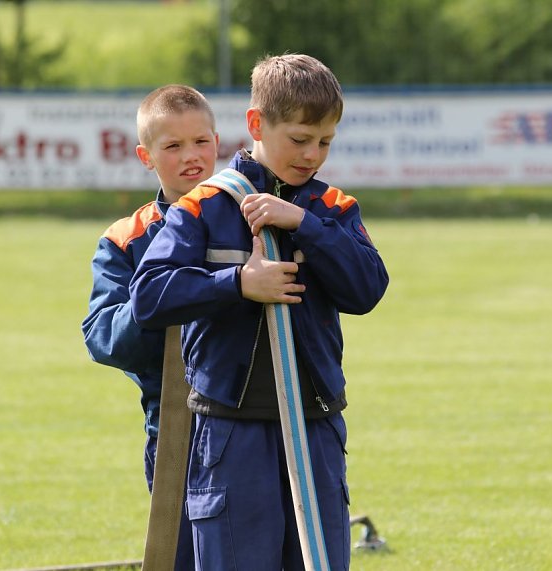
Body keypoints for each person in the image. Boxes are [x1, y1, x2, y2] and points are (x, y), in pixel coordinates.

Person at [129, 53, 389, 570]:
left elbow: (367, 290)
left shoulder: (333, 208)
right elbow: (148, 296)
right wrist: (239, 284)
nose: (312, 155)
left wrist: (305, 226)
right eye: (299, 139)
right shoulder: (204, 206)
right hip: (230, 431)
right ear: (256, 125)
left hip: (315, 424)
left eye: (325, 142)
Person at [81, 84, 219, 569]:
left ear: (218, 142)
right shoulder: (126, 238)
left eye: (201, 142)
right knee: (177, 556)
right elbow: (102, 337)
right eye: (173, 146)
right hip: (174, 428)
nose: (191, 157)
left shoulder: (249, 215)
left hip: (254, 424)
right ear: (146, 156)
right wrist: (162, 298)